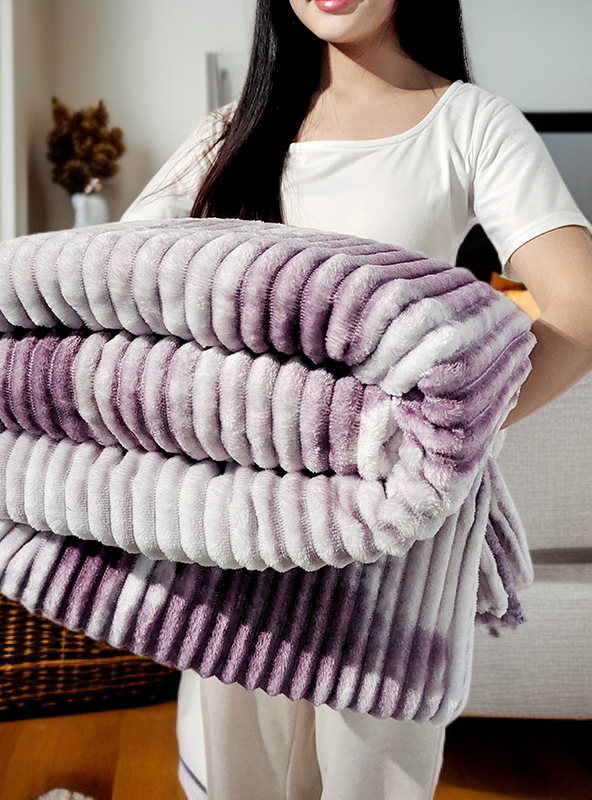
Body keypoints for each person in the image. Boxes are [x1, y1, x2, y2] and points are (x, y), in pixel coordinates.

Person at [120, 0, 592, 797]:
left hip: (386, 530)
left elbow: (580, 306)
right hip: (238, 522)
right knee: (240, 774)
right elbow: (110, 282)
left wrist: (439, 433)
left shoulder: (468, 123)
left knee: (370, 774)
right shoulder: (228, 134)